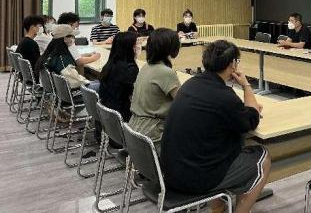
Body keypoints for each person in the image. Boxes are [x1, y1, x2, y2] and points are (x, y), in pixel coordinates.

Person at [161, 40, 270, 213]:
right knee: (263, 157)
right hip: (196, 178)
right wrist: (246, 85)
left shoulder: (190, 84)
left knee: (222, 145)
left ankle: (218, 207)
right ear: (232, 64)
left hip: (171, 172)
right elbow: (252, 119)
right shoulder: (224, 96)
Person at [129, 28, 181, 148]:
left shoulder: (146, 67)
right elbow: (183, 104)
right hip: (153, 135)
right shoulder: (166, 72)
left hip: (135, 131)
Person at [98, 32, 140, 122]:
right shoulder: (130, 69)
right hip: (122, 115)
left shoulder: (110, 64)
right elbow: (136, 95)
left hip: (107, 113)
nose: (138, 47)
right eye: (136, 45)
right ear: (130, 48)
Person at [35, 24, 90, 89]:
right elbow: (77, 82)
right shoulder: (62, 60)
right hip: (69, 91)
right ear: (65, 39)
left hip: (56, 89)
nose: (73, 39)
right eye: (72, 36)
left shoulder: (49, 54)